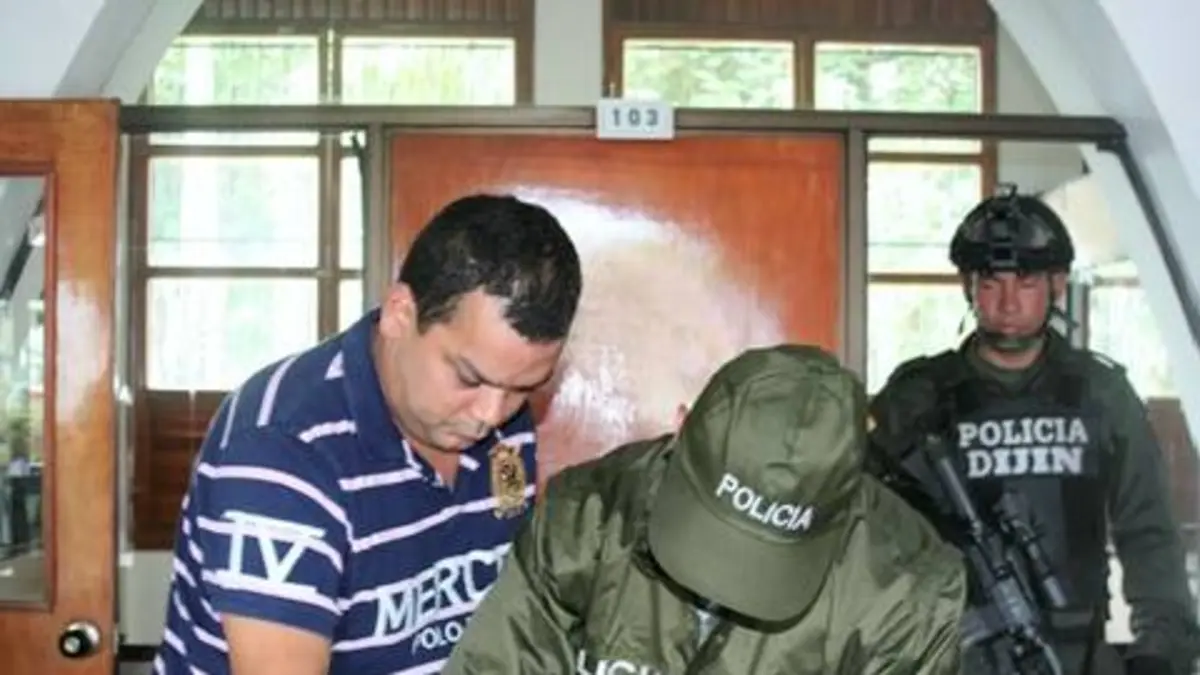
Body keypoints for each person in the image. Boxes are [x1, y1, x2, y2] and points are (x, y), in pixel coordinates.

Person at [152, 194, 582, 675]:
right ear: (400, 313)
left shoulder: (504, 425)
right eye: (469, 377)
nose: (491, 414)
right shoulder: (283, 450)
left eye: (522, 388)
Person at [443, 344, 968, 674]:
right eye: (716, 526)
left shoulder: (905, 591)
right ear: (681, 427)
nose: (723, 581)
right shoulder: (589, 520)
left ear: (847, 500)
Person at [865, 185, 1200, 675]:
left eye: (1025, 282)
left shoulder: (1101, 394)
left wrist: (1161, 652)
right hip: (952, 654)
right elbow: (866, 528)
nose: (1007, 303)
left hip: (1075, 654)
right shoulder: (918, 398)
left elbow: (1149, 534)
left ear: (1057, 284)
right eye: (990, 282)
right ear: (968, 286)